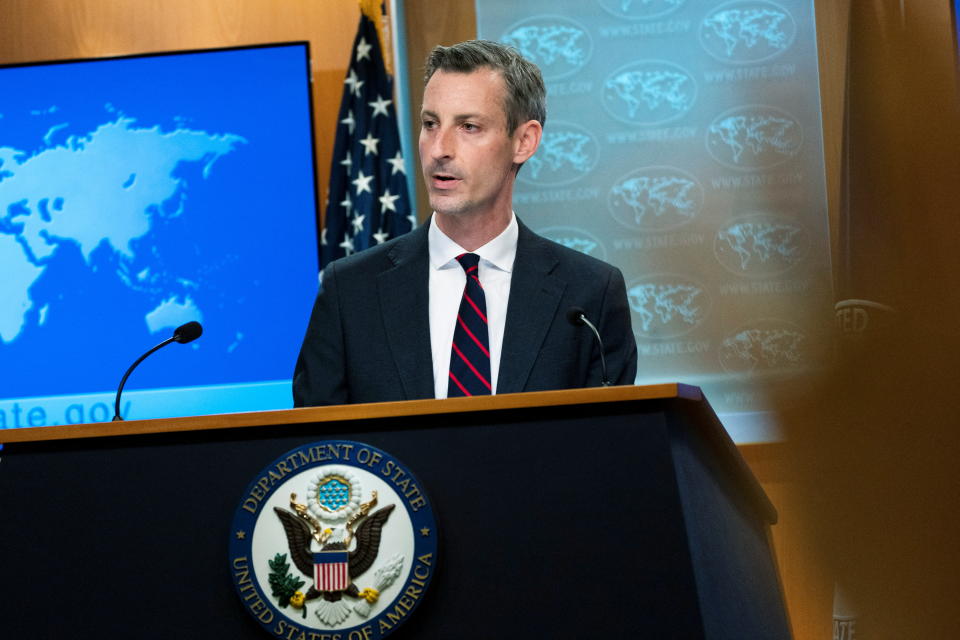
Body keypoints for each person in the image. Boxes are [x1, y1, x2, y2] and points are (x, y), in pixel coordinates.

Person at [293, 39, 636, 406]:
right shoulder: (350, 291)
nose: (440, 148)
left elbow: (608, 449)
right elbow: (319, 451)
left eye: (469, 126)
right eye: (430, 123)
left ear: (524, 141)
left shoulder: (590, 295)